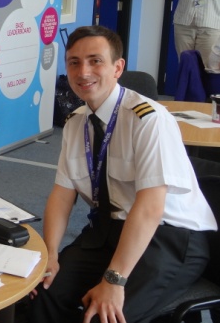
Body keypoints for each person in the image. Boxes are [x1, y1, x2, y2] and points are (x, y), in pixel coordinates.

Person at [29, 25, 217, 323]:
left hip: (168, 239)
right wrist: (51, 253)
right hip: (108, 232)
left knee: (105, 315)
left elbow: (150, 209)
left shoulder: (148, 120)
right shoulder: (77, 123)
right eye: (74, 62)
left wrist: (114, 280)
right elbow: (62, 194)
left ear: (118, 68)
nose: (83, 71)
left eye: (95, 61)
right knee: (41, 294)